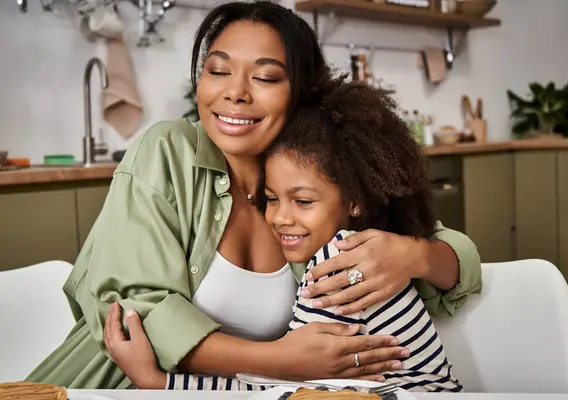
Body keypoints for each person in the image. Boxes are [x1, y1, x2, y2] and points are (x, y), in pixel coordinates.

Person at [27, 0, 481, 390]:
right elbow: (137, 316)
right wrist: (283, 362)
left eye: (264, 78)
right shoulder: (167, 151)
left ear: (300, 92)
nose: (234, 93)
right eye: (218, 70)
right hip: (115, 388)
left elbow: (456, 256)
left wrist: (413, 255)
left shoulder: (319, 175)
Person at [105, 80, 464, 392]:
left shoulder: (338, 266)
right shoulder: (359, 246)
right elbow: (291, 377)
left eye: (303, 201)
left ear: (354, 201)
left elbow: (277, 387)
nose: (279, 218)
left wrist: (162, 384)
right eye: (272, 199)